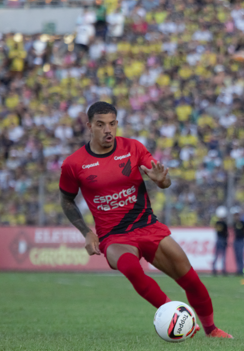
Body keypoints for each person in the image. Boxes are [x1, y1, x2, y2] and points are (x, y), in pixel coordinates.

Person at [59, 101, 233, 338]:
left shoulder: (133, 148)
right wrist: (87, 232)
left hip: (147, 226)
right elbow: (67, 201)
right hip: (114, 237)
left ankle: (212, 330)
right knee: (132, 269)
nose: (107, 129)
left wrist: (162, 181)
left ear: (117, 123)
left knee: (191, 280)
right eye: (100, 125)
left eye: (112, 124)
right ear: (90, 126)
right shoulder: (74, 163)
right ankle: (176, 317)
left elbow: (163, 179)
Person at [212, 206, 229, 276]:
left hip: (218, 239)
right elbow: (226, 233)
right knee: (223, 255)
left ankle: (214, 270)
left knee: (216, 255)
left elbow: (217, 231)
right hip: (223, 240)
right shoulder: (224, 224)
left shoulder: (217, 223)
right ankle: (223, 270)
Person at [232, 207, 244, 275]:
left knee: (240, 255)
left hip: (241, 240)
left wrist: (243, 237)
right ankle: (238, 270)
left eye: (237, 215)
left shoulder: (242, 223)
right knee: (237, 256)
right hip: (236, 240)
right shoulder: (234, 223)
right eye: (235, 215)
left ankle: (241, 270)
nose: (236, 217)